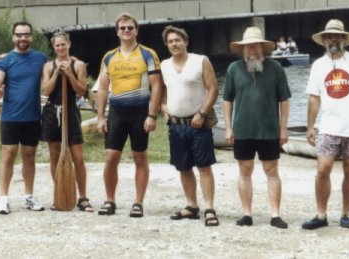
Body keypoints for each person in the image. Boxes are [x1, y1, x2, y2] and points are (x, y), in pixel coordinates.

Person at [302, 19, 349, 230]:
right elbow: (313, 98)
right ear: (323, 40)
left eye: (337, 35)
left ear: (344, 39)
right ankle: (321, 214)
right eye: (329, 35)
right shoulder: (318, 65)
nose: (333, 39)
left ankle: (346, 213)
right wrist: (310, 126)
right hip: (327, 127)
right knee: (322, 169)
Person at [222, 26, 291, 229]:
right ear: (243, 48)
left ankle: (275, 214)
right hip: (242, 129)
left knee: (271, 170)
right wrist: (228, 127)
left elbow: (284, 100)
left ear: (262, 47)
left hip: (269, 129)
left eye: (256, 45)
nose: (252, 49)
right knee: (245, 170)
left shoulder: (276, 68)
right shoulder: (234, 69)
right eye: (248, 45)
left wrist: (284, 128)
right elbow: (227, 100)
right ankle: (246, 214)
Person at [96, 13, 163, 217]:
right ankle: (110, 200)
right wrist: (100, 116)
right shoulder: (109, 57)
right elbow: (102, 87)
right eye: (122, 28)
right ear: (117, 32)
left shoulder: (148, 54)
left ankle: (138, 202)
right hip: (117, 112)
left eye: (130, 28)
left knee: (139, 156)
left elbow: (157, 85)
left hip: (140, 112)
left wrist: (152, 115)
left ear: (136, 30)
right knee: (110, 157)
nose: (126, 31)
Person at [160, 26, 219, 227]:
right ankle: (192, 206)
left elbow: (213, 89)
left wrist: (202, 113)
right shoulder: (164, 65)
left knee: (203, 167)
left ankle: (209, 208)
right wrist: (163, 107)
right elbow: (165, 90)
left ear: (186, 41)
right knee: (183, 167)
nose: (174, 44)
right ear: (167, 45)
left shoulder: (200, 60)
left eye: (177, 40)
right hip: (176, 125)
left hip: (198, 123)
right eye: (170, 41)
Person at [0, 21, 48, 215]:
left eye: (26, 35)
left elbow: (49, 81)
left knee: (29, 157)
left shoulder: (41, 58)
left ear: (31, 36)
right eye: (19, 35)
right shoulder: (4, 60)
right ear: (13, 37)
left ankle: (28, 196)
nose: (23, 38)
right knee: (8, 155)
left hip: (32, 117)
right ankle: (3, 199)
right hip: (10, 117)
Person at [41, 31, 93, 212]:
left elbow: (81, 91)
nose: (61, 48)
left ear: (69, 44)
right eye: (57, 45)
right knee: (55, 154)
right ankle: (60, 194)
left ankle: (83, 197)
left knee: (78, 157)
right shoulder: (48, 66)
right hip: (51, 111)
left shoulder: (78, 65)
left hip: (70, 111)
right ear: (54, 47)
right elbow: (46, 91)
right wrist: (57, 74)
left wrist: (70, 74)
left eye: (63, 44)